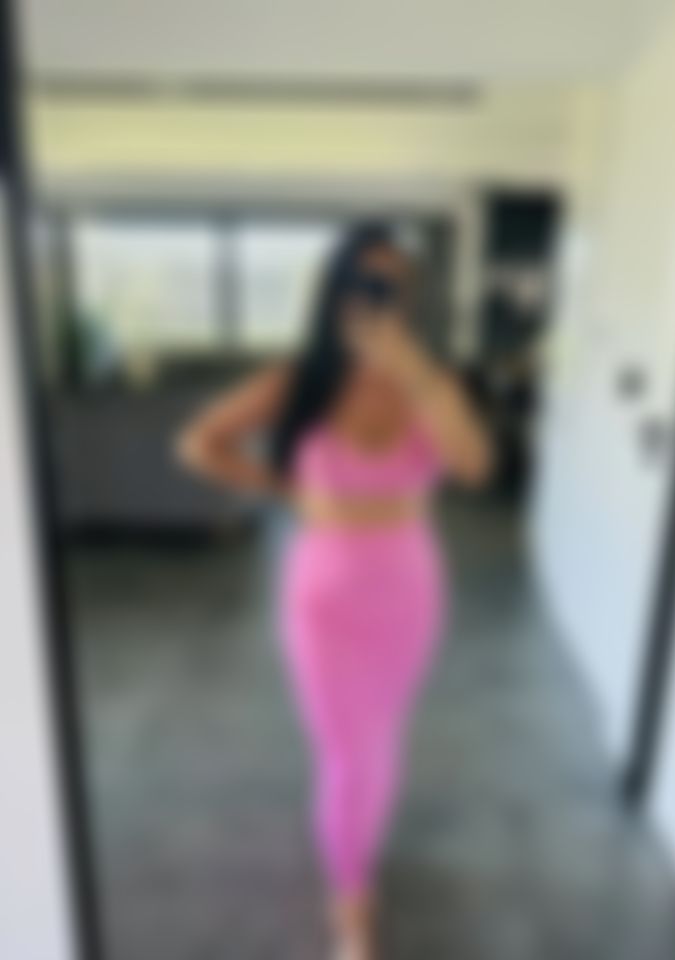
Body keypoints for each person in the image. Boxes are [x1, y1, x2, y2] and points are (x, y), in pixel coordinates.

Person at [176, 223, 492, 959]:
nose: (377, 297)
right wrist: (283, 487)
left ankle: (357, 846)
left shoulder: (431, 383)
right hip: (325, 598)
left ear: (411, 298)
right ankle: (351, 906)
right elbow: (197, 444)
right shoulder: (299, 380)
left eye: (393, 285)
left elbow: (475, 466)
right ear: (334, 290)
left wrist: (416, 375)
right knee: (348, 752)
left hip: (409, 593)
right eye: (363, 281)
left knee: (380, 739)